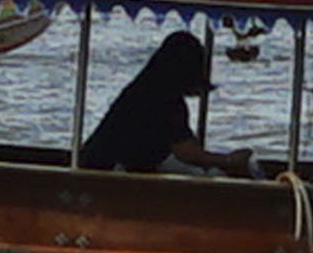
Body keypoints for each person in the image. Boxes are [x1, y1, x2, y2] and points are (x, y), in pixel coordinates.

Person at [74, 28, 257, 176]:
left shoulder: (144, 88)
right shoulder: (163, 99)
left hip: (105, 165)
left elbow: (185, 142)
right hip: (107, 172)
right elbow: (186, 152)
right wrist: (227, 161)